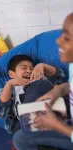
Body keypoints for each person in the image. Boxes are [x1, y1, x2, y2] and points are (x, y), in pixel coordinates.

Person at [13, 12, 73, 150]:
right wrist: (58, 91)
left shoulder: (44, 79)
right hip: (59, 114)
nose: (58, 41)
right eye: (24, 68)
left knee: (21, 138)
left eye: (67, 38)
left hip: (65, 127)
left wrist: (56, 124)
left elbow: (60, 76)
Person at [0, 54, 65, 134]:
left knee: (42, 84)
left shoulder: (38, 79)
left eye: (32, 68)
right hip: (26, 124)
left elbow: (60, 77)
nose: (29, 71)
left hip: (51, 114)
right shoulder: (9, 89)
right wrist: (9, 84)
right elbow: (0, 112)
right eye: (24, 68)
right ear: (11, 74)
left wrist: (43, 66)